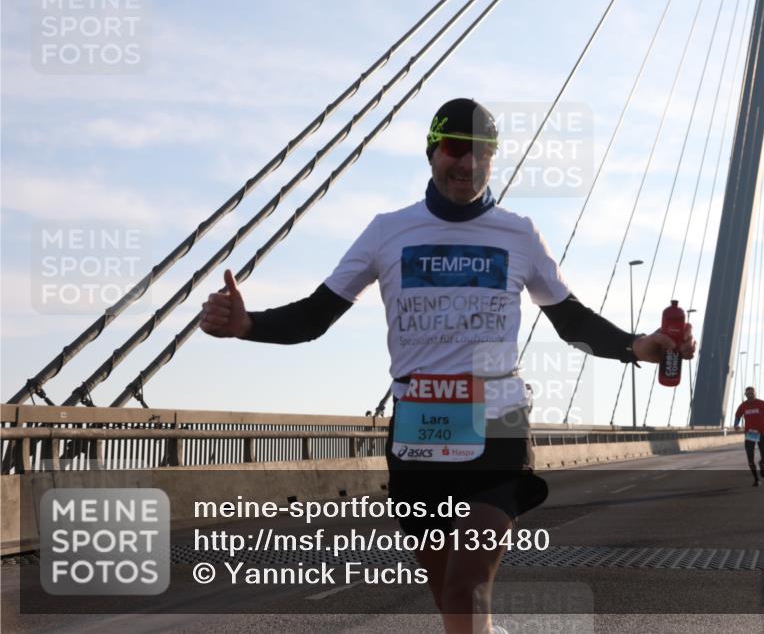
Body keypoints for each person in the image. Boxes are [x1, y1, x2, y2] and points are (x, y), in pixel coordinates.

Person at [199, 98, 696, 634]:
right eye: (456, 149)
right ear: (432, 152)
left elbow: (571, 320)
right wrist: (246, 325)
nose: (468, 164)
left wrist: (636, 345)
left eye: (482, 153)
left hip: (497, 428)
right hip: (417, 439)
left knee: (465, 588)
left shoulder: (519, 234)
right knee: (453, 604)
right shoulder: (388, 232)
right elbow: (316, 316)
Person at [734, 386, 764, 486]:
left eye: (752, 393)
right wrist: (736, 424)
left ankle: (762, 464)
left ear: (755, 393)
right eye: (748, 393)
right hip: (751, 434)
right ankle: (756, 479)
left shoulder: (761, 403)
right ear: (745, 395)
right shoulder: (743, 405)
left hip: (762, 432)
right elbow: (737, 416)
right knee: (750, 458)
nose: (750, 395)